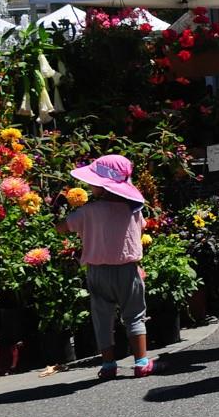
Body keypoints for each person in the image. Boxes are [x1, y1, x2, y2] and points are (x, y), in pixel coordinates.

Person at [55, 154, 153, 379]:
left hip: (98, 272)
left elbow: (63, 228)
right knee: (135, 316)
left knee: (102, 318)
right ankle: (141, 362)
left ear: (102, 185)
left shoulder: (88, 211)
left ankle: (109, 365)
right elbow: (141, 229)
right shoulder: (133, 210)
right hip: (128, 270)